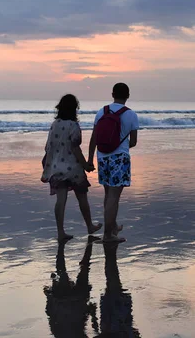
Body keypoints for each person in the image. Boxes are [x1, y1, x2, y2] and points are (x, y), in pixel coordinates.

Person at [42, 94, 103, 242]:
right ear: (74, 109)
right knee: (82, 197)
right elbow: (76, 149)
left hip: (57, 167)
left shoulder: (54, 124)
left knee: (60, 200)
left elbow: (48, 147)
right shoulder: (73, 126)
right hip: (73, 168)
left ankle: (60, 232)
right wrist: (86, 165)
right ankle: (89, 226)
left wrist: (47, 165)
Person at [87, 83, 139, 243]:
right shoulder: (131, 115)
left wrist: (90, 159)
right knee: (114, 196)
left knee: (108, 194)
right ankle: (108, 235)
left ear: (112, 94)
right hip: (120, 158)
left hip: (102, 157)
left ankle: (113, 226)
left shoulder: (101, 111)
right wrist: (121, 146)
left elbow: (94, 138)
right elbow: (134, 142)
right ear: (128, 95)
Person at [44, 237, 101, 337]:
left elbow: (51, 315)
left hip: (75, 301)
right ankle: (63, 246)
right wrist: (49, 295)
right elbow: (49, 314)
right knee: (62, 271)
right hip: (65, 301)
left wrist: (92, 314)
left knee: (83, 269)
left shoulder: (60, 334)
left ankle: (89, 243)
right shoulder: (58, 334)